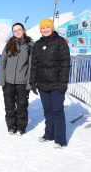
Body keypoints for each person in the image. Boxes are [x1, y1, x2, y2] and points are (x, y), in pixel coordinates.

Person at [30, 18, 70, 148]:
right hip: (42, 84)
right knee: (47, 110)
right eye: (43, 28)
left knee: (57, 110)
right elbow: (34, 65)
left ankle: (60, 140)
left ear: (52, 28)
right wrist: (32, 82)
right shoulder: (37, 44)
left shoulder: (60, 42)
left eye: (47, 27)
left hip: (57, 84)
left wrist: (63, 82)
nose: (45, 29)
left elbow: (65, 64)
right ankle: (49, 134)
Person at [0, 22, 34, 135]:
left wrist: (30, 82)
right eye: (15, 30)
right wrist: (1, 79)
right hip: (8, 82)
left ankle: (21, 127)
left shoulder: (30, 45)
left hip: (22, 82)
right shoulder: (9, 44)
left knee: (22, 106)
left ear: (23, 30)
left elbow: (31, 65)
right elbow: (2, 61)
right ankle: (11, 126)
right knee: (9, 105)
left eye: (19, 29)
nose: (17, 32)